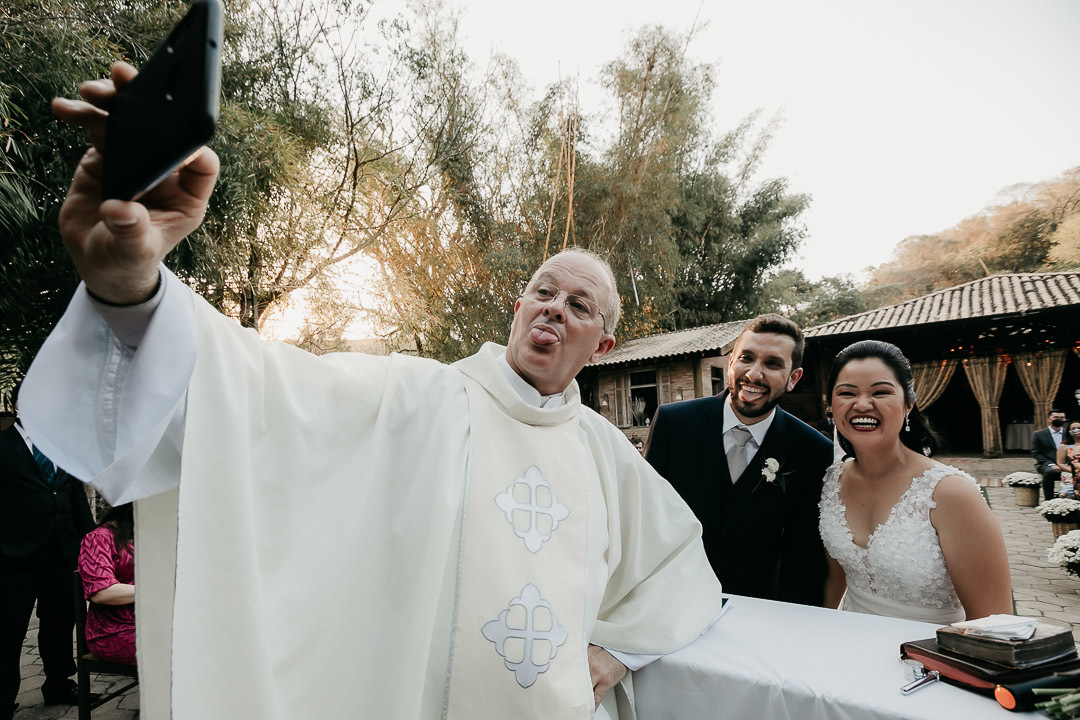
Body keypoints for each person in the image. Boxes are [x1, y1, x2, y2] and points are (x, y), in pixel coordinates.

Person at [20, 62, 724, 720]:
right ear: (517, 308)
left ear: (603, 345)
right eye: (543, 291)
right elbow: (265, 392)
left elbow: (678, 563)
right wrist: (132, 290)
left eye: (578, 305)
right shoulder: (422, 399)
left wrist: (616, 650)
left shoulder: (604, 452)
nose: (553, 309)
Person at [645, 314, 834, 606]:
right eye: (747, 358)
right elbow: (645, 518)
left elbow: (803, 558)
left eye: (772, 364)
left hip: (757, 611)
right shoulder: (674, 423)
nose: (755, 374)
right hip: (669, 600)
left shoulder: (812, 450)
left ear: (793, 378)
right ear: (731, 362)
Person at [819, 340, 1012, 623]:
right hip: (847, 644)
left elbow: (993, 622)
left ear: (909, 404)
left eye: (880, 392)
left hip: (930, 656)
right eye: (847, 393)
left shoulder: (951, 493)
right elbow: (834, 582)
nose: (862, 404)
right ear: (832, 407)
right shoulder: (832, 480)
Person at [1, 382, 96, 719]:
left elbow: (75, 498)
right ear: (16, 408)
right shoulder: (3, 447)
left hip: (62, 553)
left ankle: (59, 683)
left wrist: (90, 545)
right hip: (14, 560)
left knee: (59, 624)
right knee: (8, 631)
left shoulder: (63, 446)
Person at [78, 504, 135, 665]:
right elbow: (102, 592)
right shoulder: (98, 538)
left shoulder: (151, 535)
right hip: (114, 631)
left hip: (152, 620)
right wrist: (154, 590)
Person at [1033, 409, 1067, 501]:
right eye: (1056, 417)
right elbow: (1036, 453)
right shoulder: (1039, 434)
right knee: (1050, 473)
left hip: (1067, 464)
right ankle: (1049, 500)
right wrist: (1051, 464)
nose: (1059, 419)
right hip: (1047, 464)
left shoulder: (1069, 433)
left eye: (1062, 418)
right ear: (1048, 419)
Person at [1055, 420, 1080, 499]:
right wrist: (1073, 470)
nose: (1076, 430)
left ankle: (1065, 493)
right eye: (1073, 428)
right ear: (1069, 431)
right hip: (1070, 471)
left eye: (1079, 428)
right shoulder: (1064, 446)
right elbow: (1060, 463)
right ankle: (1066, 493)